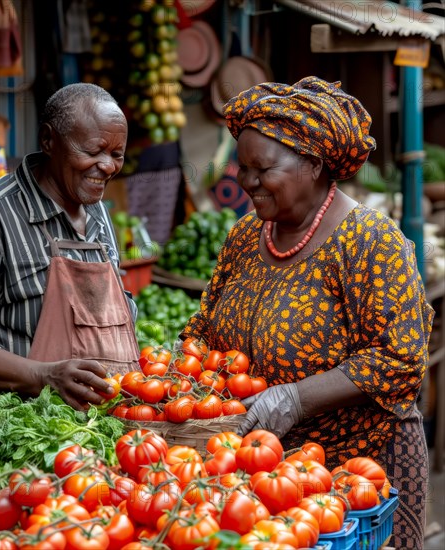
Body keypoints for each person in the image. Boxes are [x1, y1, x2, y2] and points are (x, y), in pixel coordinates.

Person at [180, 76, 434, 550]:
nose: (246, 180)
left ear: (314, 165)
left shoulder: (370, 243)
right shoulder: (245, 236)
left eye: (263, 168)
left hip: (359, 474)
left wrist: (295, 397)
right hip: (262, 473)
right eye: (242, 167)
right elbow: (207, 324)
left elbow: (401, 359)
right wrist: (180, 362)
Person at [0, 83, 140, 410]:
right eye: (93, 151)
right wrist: (42, 376)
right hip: (18, 430)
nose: (107, 166)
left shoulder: (98, 212)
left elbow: (119, 305)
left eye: (116, 155)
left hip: (101, 427)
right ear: (49, 140)